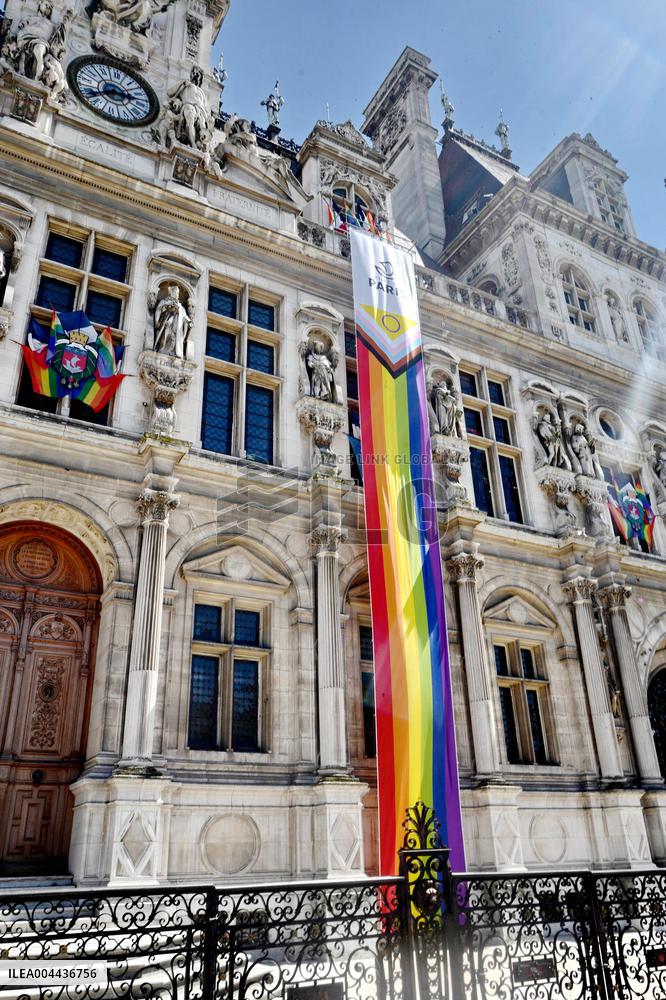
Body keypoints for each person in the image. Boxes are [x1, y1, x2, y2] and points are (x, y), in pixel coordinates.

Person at [153, 285, 192, 359]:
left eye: (177, 293)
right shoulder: (165, 301)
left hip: (177, 325)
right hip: (167, 321)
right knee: (166, 334)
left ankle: (173, 352)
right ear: (171, 293)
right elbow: (158, 310)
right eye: (175, 292)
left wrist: (189, 321)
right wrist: (168, 307)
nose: (176, 294)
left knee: (174, 337)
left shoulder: (181, 306)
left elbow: (184, 316)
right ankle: (163, 350)